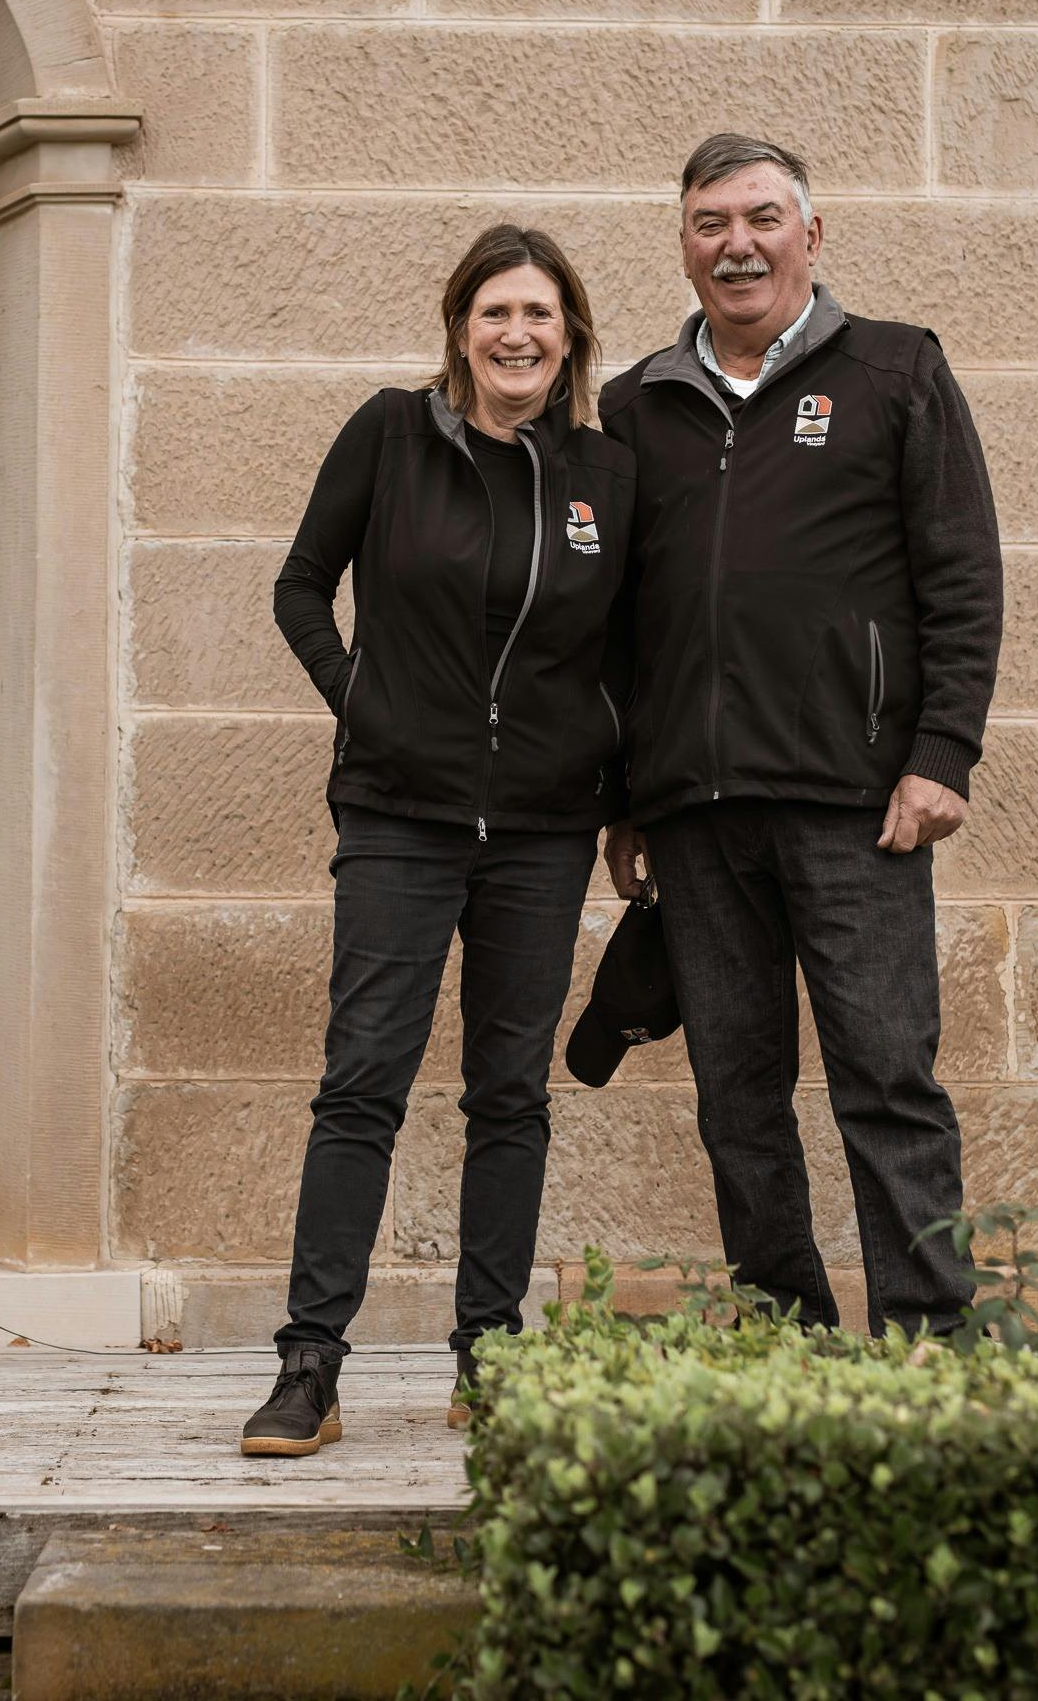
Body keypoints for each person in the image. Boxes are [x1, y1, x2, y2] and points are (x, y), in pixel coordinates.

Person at [599, 133, 1004, 1338]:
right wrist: (626, 794)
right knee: (736, 1095)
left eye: (762, 218)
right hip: (696, 814)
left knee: (888, 1079)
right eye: (711, 223)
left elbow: (963, 576)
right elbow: (621, 622)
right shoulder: (635, 406)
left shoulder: (895, 371)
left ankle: (932, 1339)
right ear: (683, 244)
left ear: (810, 237)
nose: (738, 244)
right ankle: (786, 1333)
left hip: (857, 806)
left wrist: (942, 754)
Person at [242, 225, 635, 1456]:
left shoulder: (602, 476)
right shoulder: (388, 435)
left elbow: (631, 646)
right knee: (361, 1084)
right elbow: (300, 585)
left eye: (540, 313)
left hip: (542, 826)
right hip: (399, 816)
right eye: (494, 311)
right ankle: (310, 1363)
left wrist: (616, 786)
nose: (517, 334)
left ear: (569, 333)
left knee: (508, 1093)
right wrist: (364, 704)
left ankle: (491, 1353)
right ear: (459, 325)